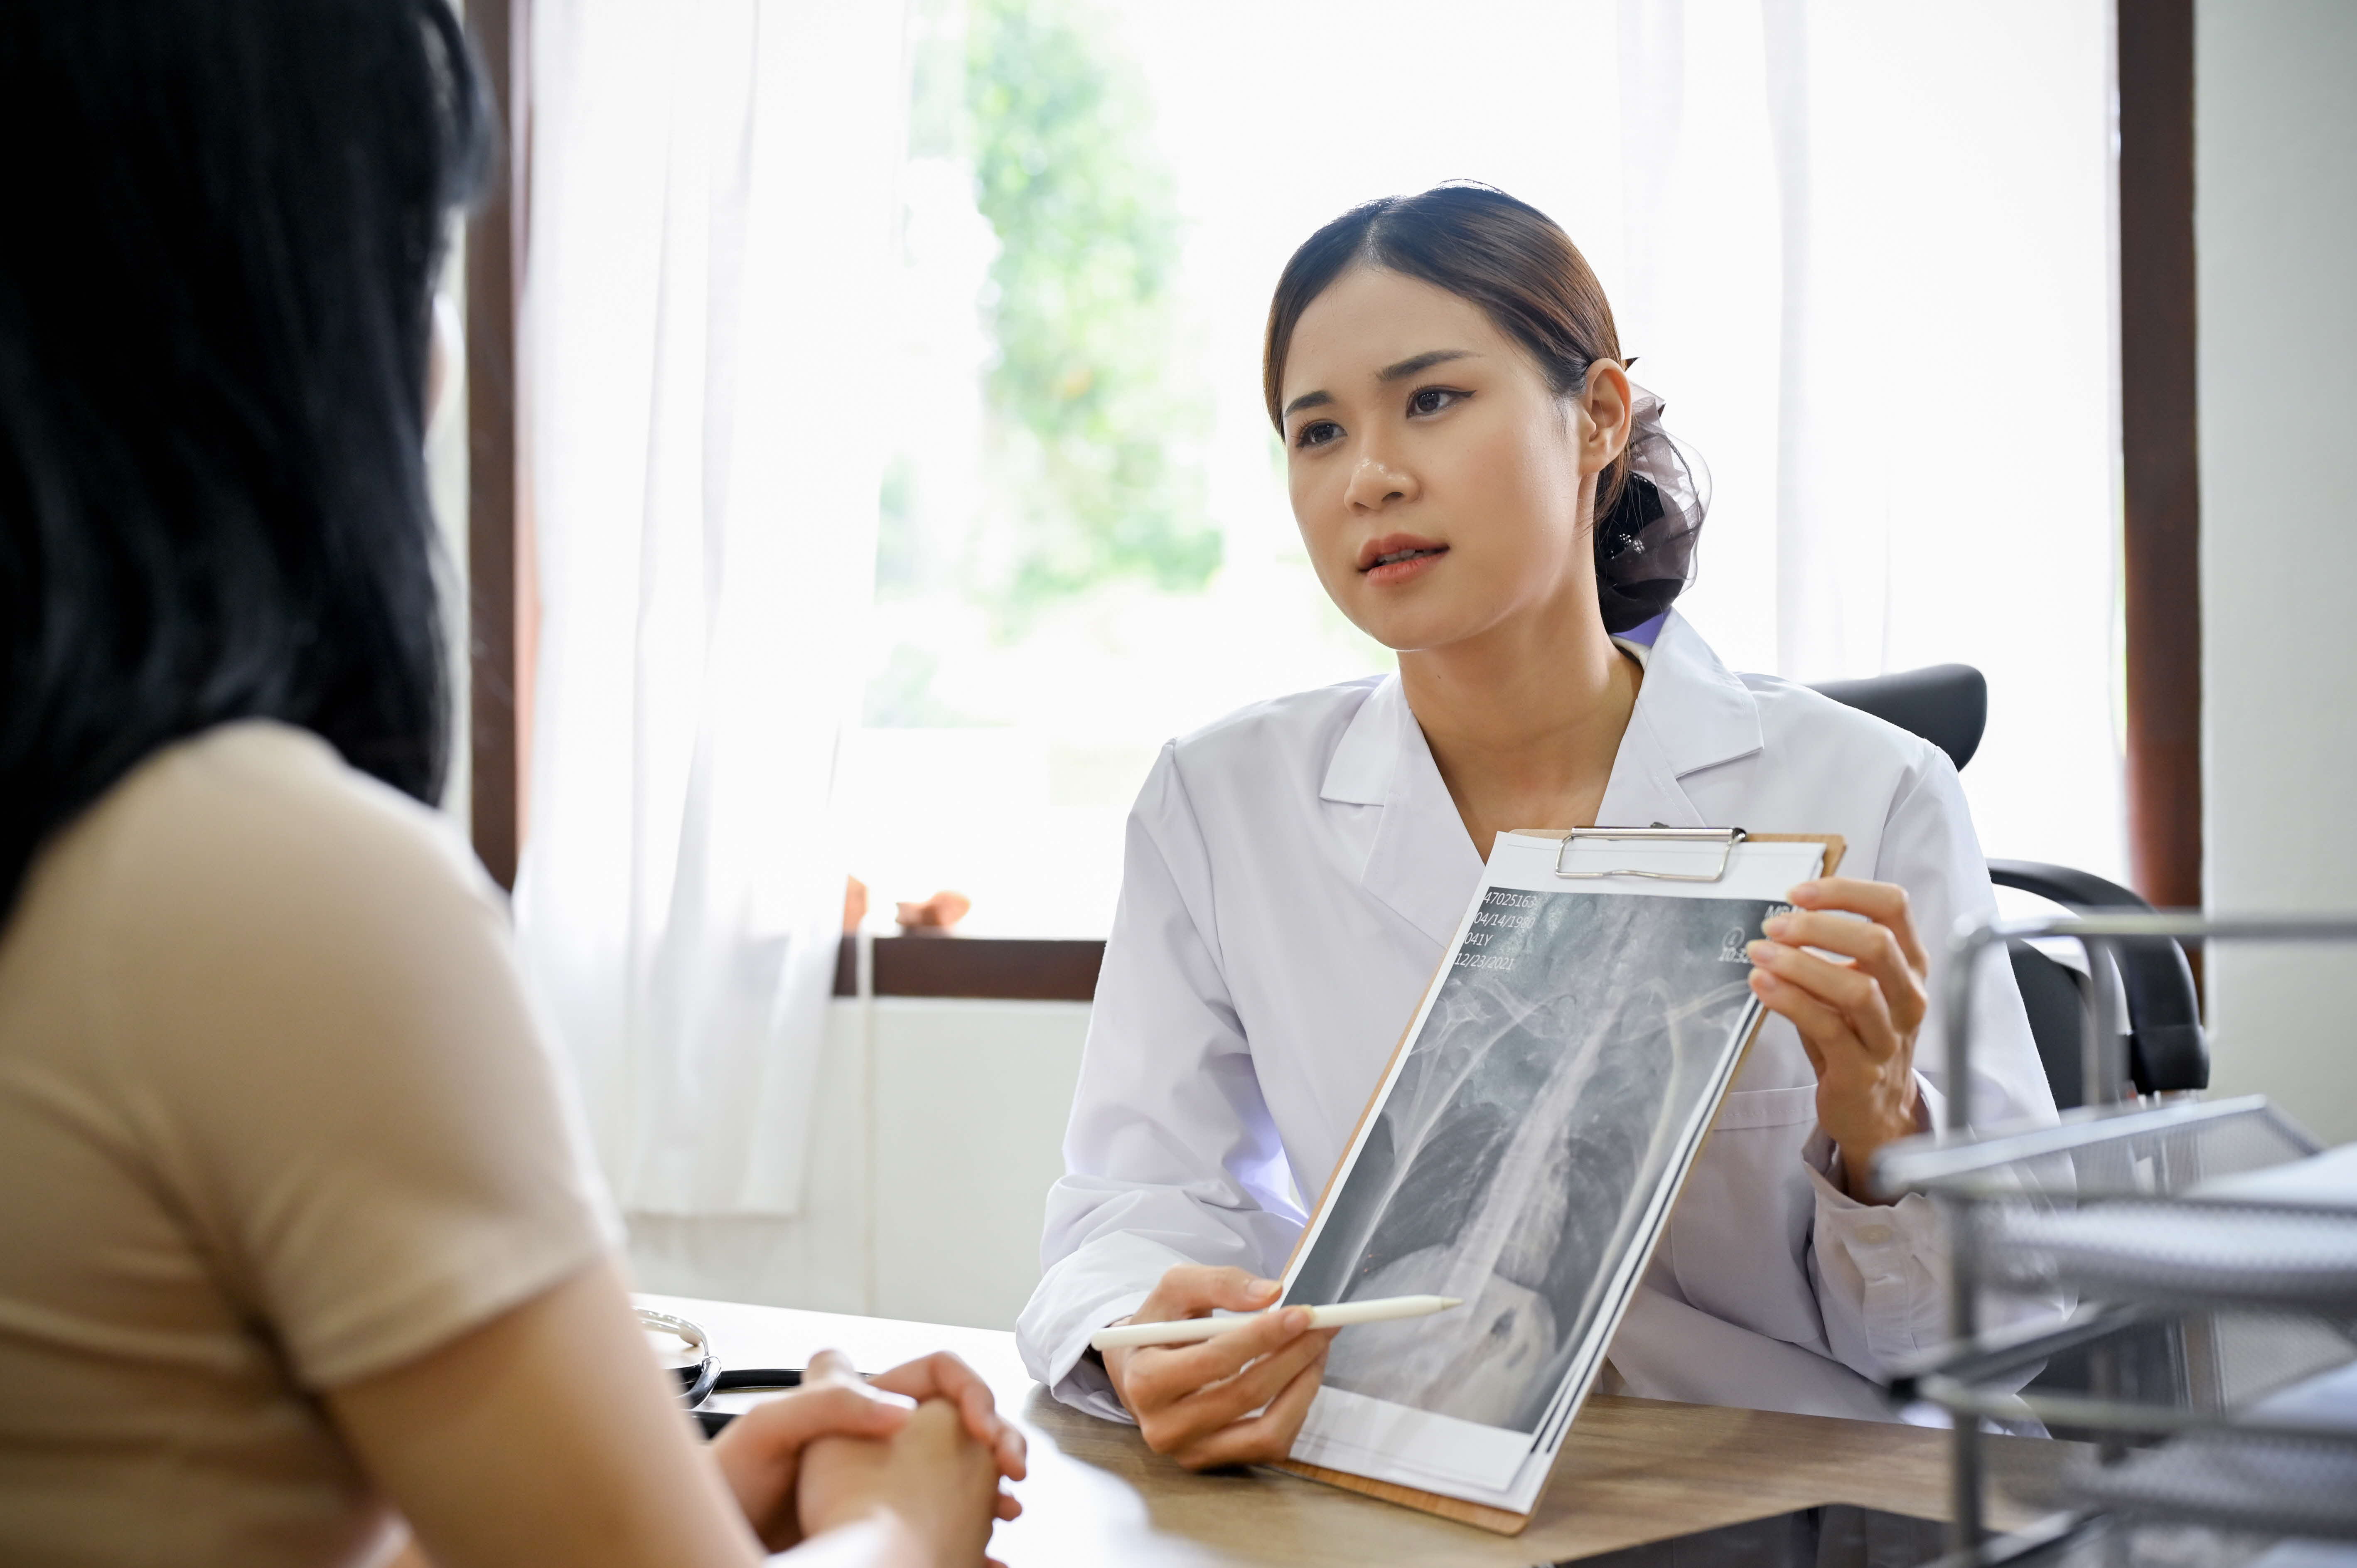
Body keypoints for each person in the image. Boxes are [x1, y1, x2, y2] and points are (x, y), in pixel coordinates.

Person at [0, 4, 1020, 1565]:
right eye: (418, 254)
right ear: (286, 306)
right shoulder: (257, 877)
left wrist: (680, 1496)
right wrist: (897, 1526)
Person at [1015, 184, 2058, 1470]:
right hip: (1396, 1486)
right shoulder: (1220, 802)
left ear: (1597, 421)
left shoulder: (1867, 794)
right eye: (1316, 431)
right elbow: (1132, 1199)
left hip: (1792, 1486)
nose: (1370, 476)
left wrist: (1879, 1119)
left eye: (1432, 399)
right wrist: (1136, 1328)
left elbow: (2000, 1331)